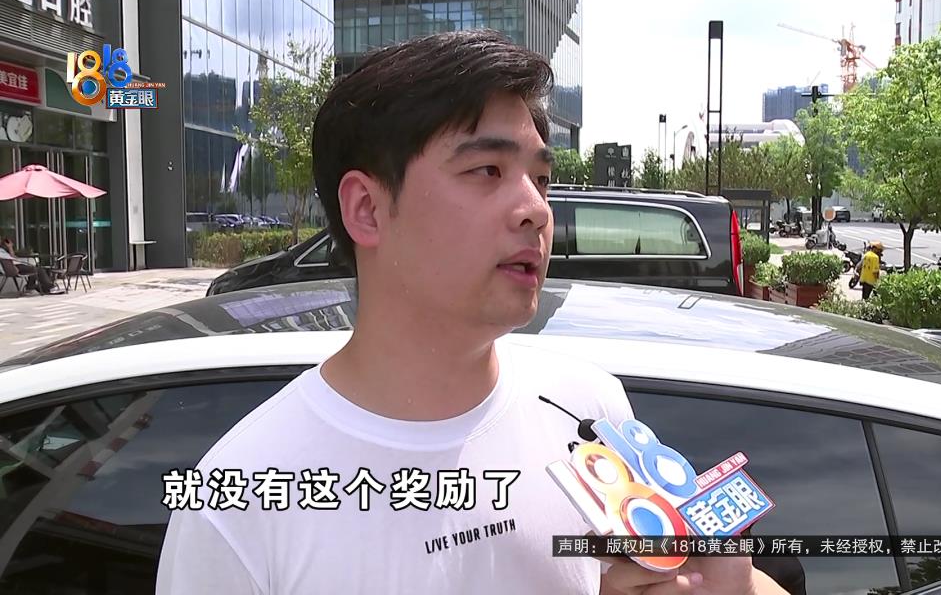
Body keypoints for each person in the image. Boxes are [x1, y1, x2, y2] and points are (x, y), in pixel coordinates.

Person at [156, 30, 791, 595]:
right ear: (367, 210)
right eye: (487, 170)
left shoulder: (590, 413)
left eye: (540, 179)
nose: (536, 210)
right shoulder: (239, 500)